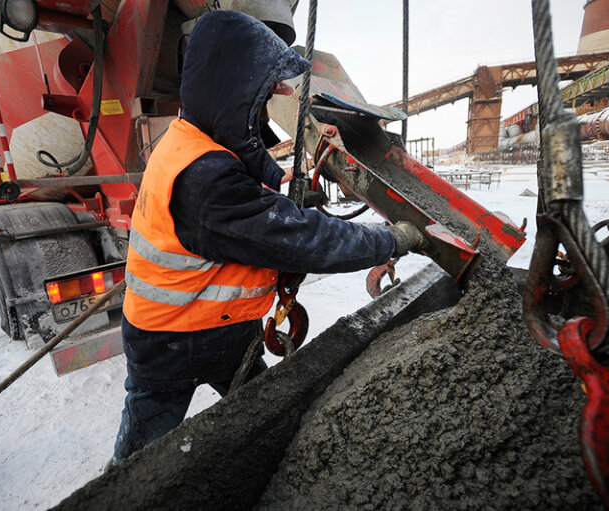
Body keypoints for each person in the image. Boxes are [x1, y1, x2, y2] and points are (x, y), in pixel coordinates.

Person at [112, 10, 426, 463]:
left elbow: (246, 181)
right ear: (231, 91)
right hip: (172, 343)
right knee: (141, 458)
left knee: (265, 417)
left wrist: (284, 195)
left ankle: (270, 468)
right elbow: (303, 241)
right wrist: (391, 241)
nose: (270, 103)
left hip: (221, 330)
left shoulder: (193, 140)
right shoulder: (204, 178)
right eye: (260, 95)